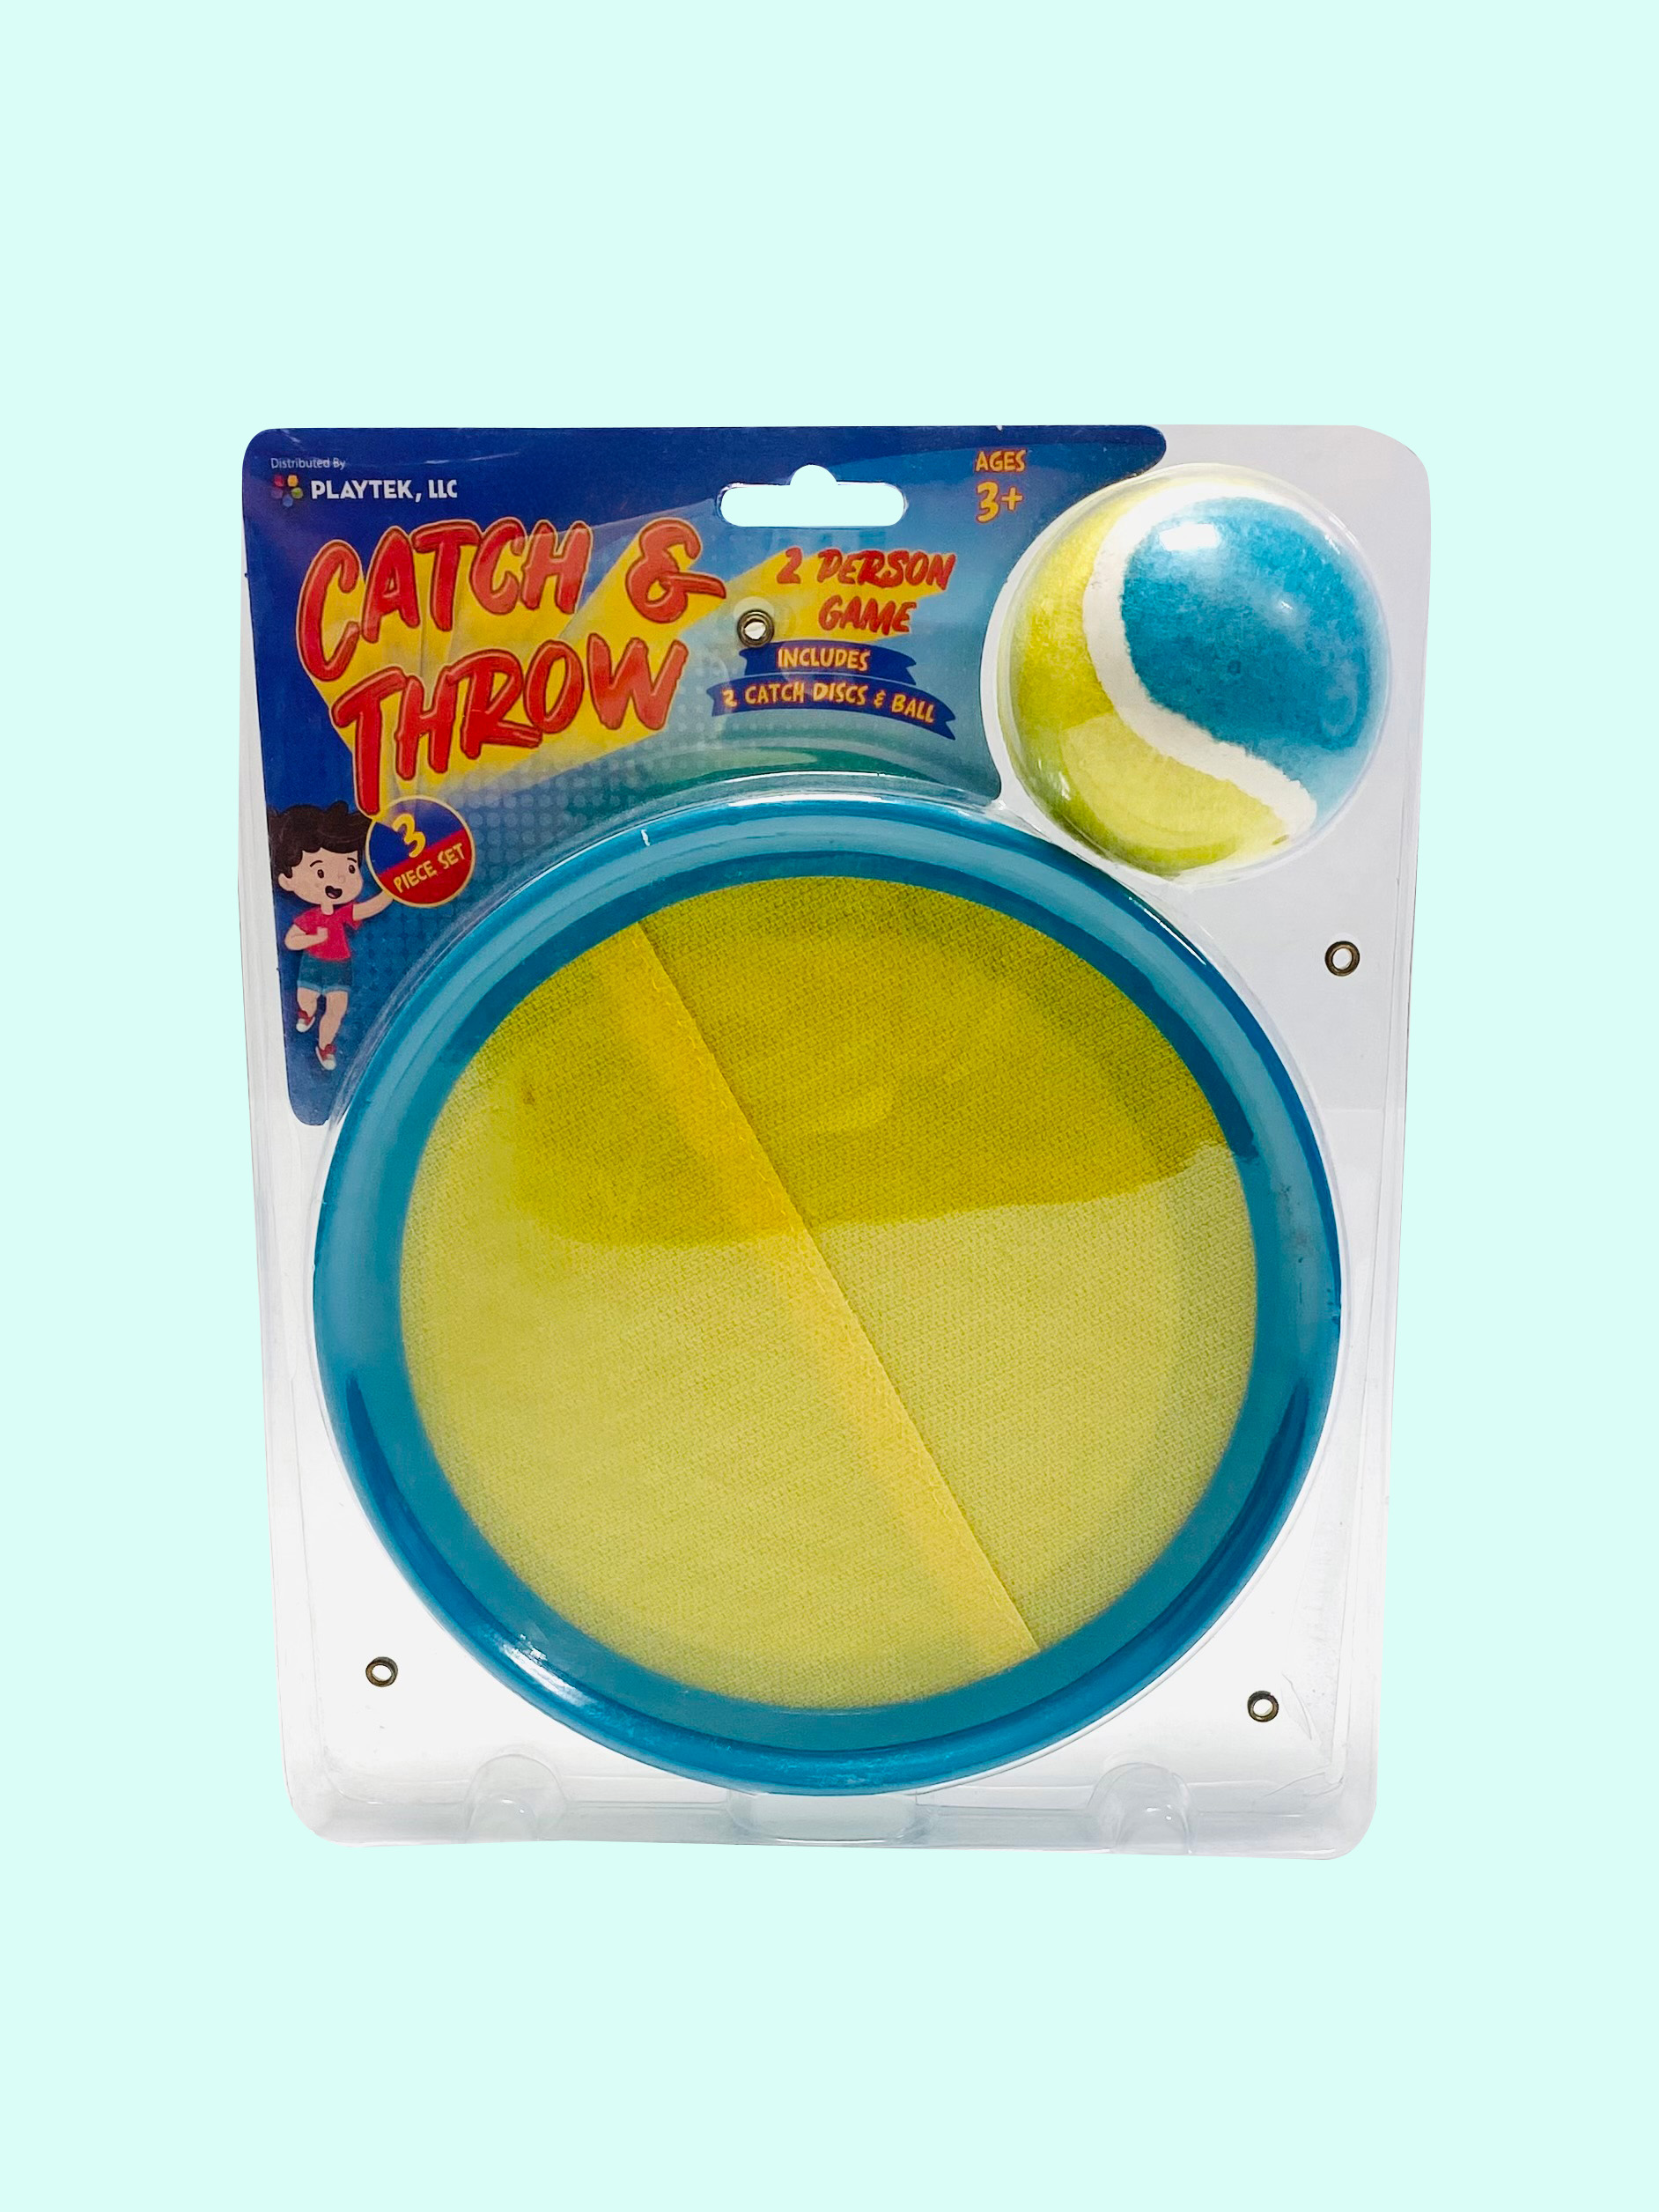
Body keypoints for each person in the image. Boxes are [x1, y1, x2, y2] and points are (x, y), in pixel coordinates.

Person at [268, 801, 393, 1070]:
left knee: (337, 1008)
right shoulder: (310, 918)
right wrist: (315, 939)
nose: (338, 880)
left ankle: (325, 1046)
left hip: (339, 967)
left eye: (350, 868)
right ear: (287, 880)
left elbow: (368, 908)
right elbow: (291, 941)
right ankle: (306, 1012)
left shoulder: (343, 913)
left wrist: (392, 890)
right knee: (306, 996)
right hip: (312, 965)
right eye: (320, 872)